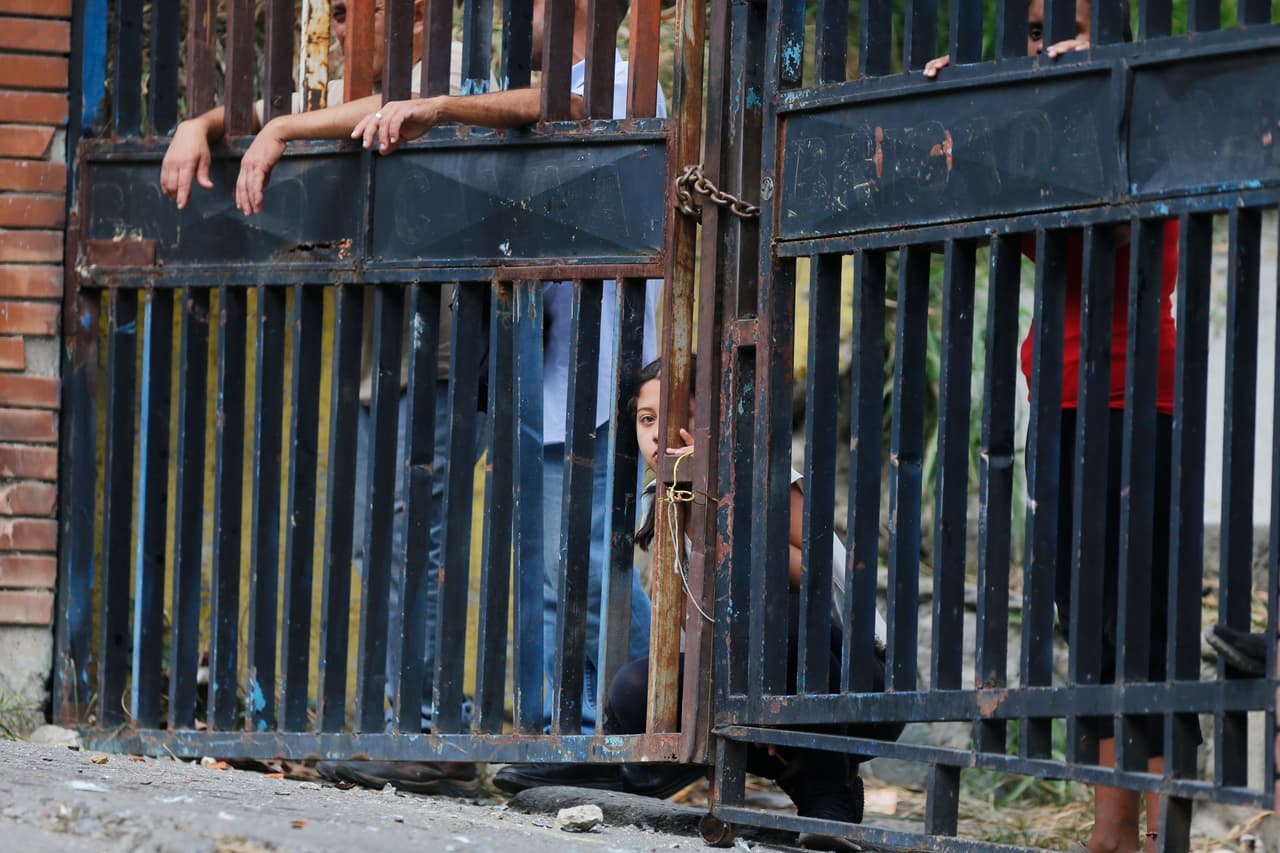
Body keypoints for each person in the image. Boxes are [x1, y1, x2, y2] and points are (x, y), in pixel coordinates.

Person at [158, 0, 489, 797]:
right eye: (332, 13)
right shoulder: (340, 94)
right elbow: (288, 109)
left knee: (424, 541)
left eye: (355, 11)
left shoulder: (434, 74)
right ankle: (386, 716)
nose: (340, 26)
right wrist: (202, 123)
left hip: (443, 343)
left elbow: (372, 110)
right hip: (380, 354)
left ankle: (432, 729)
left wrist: (280, 132)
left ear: (408, 16)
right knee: (379, 538)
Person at [352, 0, 665, 747]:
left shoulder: (624, 85)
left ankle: (643, 719)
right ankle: (570, 730)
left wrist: (442, 105)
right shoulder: (515, 89)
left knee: (590, 568)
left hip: (598, 374)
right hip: (541, 376)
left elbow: (566, 111)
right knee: (555, 575)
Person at [929, 5, 1189, 852]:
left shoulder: (1148, 107)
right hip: (1063, 396)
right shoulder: (1038, 126)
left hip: (1140, 396)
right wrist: (964, 105)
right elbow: (962, 200)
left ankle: (1152, 830)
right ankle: (1112, 832)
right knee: (1089, 617)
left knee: (1146, 624)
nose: (1049, 43)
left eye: (1067, 23)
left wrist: (1078, 97)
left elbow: (1126, 233)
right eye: (1034, 29)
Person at [600, 359, 898, 850]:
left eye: (674, 416)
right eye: (645, 419)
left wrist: (724, 516)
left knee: (781, 625)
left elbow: (816, 579)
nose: (656, 434)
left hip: (850, 676)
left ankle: (828, 794)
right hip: (748, 671)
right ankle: (800, 781)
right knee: (635, 688)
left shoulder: (766, 475)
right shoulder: (665, 497)